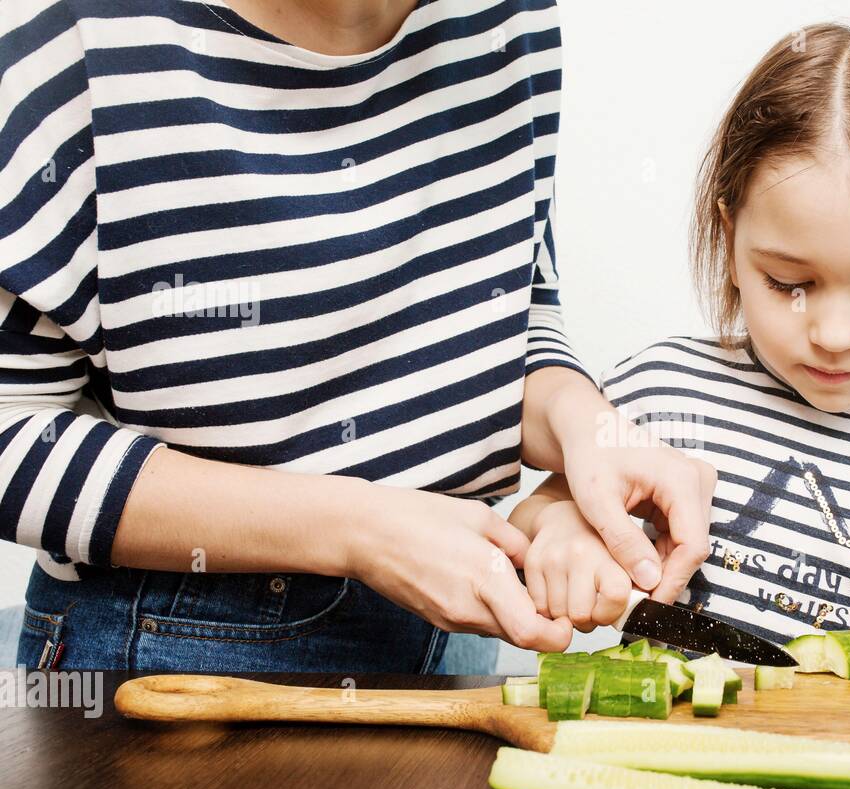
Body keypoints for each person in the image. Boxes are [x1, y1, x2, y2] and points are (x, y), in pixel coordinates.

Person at [0, 0, 714, 673]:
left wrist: (581, 426)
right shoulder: (80, 53)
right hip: (172, 653)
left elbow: (504, 309)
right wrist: (360, 530)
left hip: (454, 625)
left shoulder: (509, 22)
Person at [508, 17, 850, 711]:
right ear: (731, 236)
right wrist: (561, 533)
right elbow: (539, 511)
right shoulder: (661, 392)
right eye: (788, 283)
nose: (833, 334)